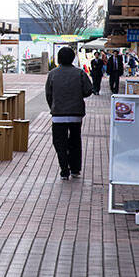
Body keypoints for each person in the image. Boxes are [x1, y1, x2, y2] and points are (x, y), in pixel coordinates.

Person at [45, 46, 93, 180]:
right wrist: (79, 95)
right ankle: (75, 169)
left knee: (59, 142)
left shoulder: (53, 74)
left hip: (58, 114)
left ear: (59, 58)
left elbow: (48, 94)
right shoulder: (79, 73)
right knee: (75, 141)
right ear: (73, 58)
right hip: (76, 114)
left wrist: (53, 106)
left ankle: (64, 169)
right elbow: (89, 90)